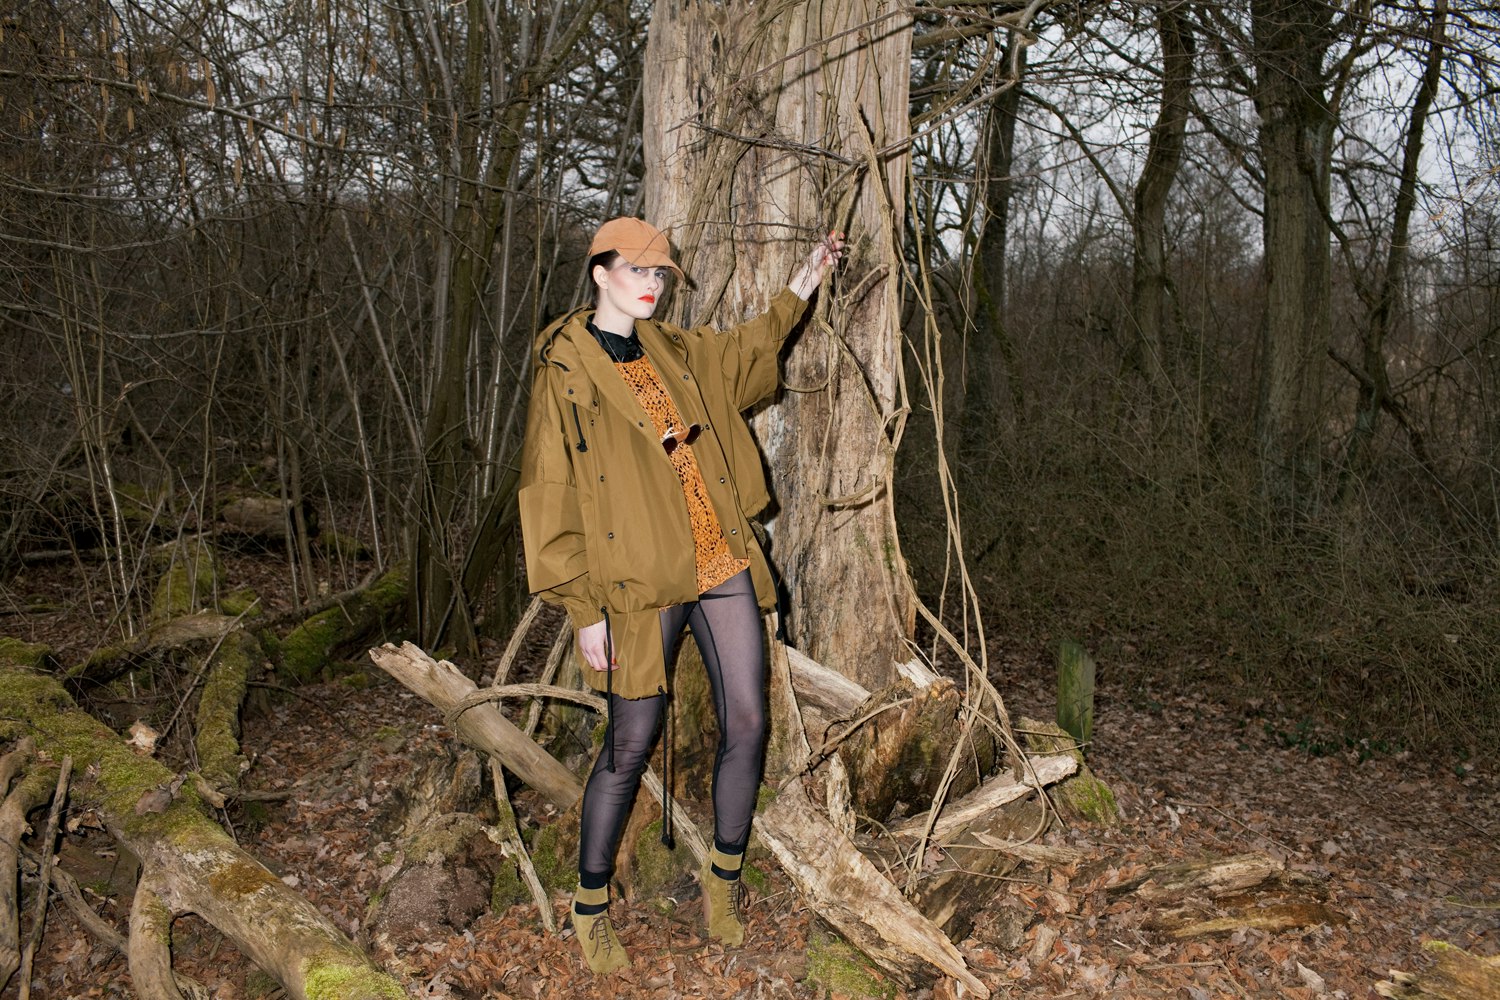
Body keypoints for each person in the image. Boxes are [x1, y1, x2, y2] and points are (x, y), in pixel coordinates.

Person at [518, 217, 843, 974]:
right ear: (599, 272)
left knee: (749, 721)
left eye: (660, 273)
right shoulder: (565, 368)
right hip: (639, 576)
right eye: (636, 270)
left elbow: (749, 350)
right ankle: (590, 907)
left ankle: (722, 882)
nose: (651, 284)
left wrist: (805, 281)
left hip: (718, 555)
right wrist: (582, 608)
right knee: (629, 743)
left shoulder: (673, 349)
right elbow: (548, 487)